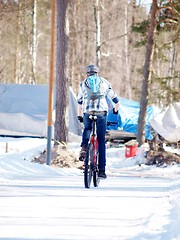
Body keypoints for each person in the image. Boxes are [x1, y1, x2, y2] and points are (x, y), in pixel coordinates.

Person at [77, 64, 120, 179]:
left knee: (87, 128)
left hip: (88, 111)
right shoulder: (104, 82)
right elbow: (116, 100)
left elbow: (80, 102)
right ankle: (102, 170)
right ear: (97, 73)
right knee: (101, 141)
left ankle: (84, 148)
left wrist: (80, 115)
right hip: (101, 112)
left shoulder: (83, 83)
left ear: (87, 73)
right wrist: (115, 111)